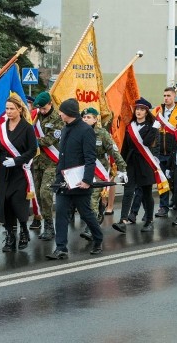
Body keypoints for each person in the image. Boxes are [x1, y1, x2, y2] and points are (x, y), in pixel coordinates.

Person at [46, 98, 104, 259]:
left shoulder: (86, 131)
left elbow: (90, 158)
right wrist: (59, 175)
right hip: (64, 180)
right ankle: (61, 247)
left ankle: (98, 239)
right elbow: (63, 155)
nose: (59, 114)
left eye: (62, 111)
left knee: (86, 213)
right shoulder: (65, 129)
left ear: (69, 113)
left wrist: (87, 180)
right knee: (61, 213)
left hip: (79, 181)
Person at [0, 95, 37, 252]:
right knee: (6, 203)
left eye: (11, 109)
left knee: (17, 202)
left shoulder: (27, 128)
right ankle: (10, 235)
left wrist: (16, 161)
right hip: (4, 172)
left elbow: (32, 151)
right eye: (7, 108)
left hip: (20, 171)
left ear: (19, 110)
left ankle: (23, 230)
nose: (8, 112)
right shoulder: (1, 127)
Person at [113, 98, 159, 234]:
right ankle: (123, 221)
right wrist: (121, 165)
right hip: (131, 162)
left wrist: (154, 129)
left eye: (142, 109)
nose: (139, 111)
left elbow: (146, 142)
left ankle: (149, 220)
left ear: (146, 112)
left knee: (146, 193)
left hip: (145, 163)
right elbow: (125, 147)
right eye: (137, 109)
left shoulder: (152, 126)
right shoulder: (129, 126)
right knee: (128, 191)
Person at [81, 106, 126, 240]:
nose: (85, 120)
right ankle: (99, 211)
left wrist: (122, 168)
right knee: (88, 199)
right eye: (83, 117)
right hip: (83, 170)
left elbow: (114, 150)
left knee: (92, 198)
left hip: (98, 170)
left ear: (95, 119)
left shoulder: (102, 134)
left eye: (88, 117)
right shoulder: (79, 133)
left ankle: (90, 228)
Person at [30, 91, 64, 241]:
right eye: (40, 108)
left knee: (45, 193)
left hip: (51, 162)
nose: (42, 110)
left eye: (44, 108)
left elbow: (50, 139)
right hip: (37, 162)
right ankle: (44, 221)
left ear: (50, 104)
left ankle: (50, 226)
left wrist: (30, 140)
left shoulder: (57, 119)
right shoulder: (35, 116)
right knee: (37, 195)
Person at [152, 87, 177, 218]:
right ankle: (163, 207)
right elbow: (151, 128)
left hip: (175, 153)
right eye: (164, 95)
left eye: (169, 95)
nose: (166, 98)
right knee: (162, 181)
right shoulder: (158, 111)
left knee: (175, 181)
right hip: (160, 153)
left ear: (174, 96)